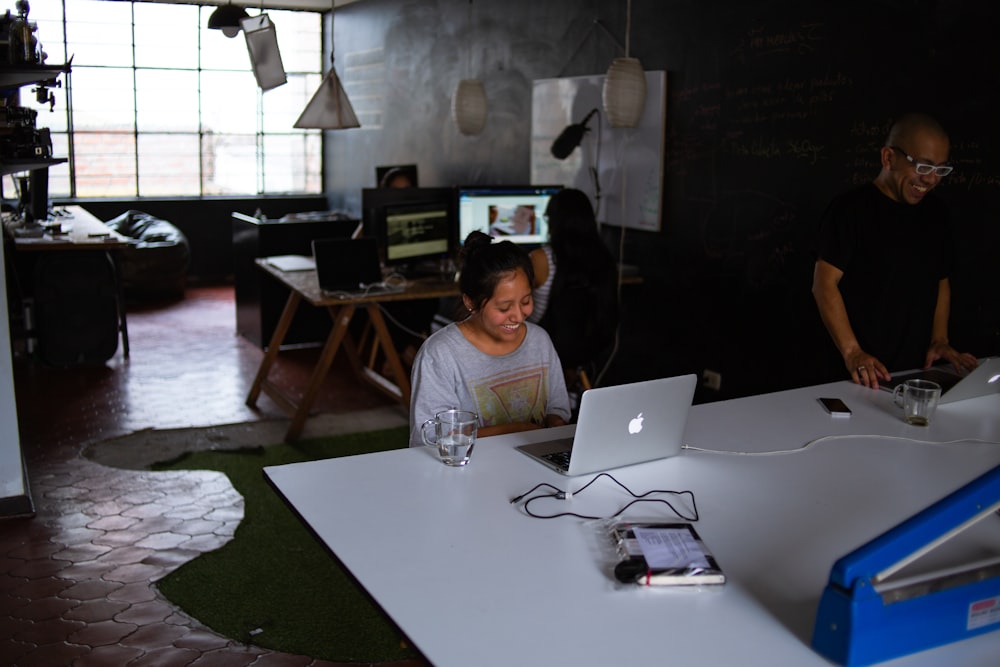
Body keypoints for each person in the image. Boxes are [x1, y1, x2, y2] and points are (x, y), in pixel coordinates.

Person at [812, 112, 978, 389]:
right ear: (889, 158)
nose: (931, 180)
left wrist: (940, 340)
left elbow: (941, 280)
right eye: (924, 167)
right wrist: (852, 352)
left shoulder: (937, 214)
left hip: (912, 376)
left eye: (940, 170)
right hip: (855, 376)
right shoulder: (849, 210)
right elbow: (824, 284)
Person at [409, 231, 571, 446]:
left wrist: (556, 424)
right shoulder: (440, 354)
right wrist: (520, 430)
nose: (518, 315)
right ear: (470, 302)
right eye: (504, 307)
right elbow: (430, 438)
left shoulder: (539, 341)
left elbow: (557, 409)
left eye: (525, 301)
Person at [528, 188, 619, 384]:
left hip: (547, 347)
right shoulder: (604, 260)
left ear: (553, 221)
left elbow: (527, 312)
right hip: (592, 350)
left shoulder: (541, 259)